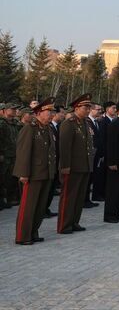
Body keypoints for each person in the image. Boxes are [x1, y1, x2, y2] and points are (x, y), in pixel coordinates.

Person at [13, 98, 56, 245]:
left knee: (40, 206)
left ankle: (33, 231)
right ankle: (22, 236)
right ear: (39, 112)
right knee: (28, 207)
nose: (52, 114)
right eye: (49, 111)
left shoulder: (47, 128)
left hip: (45, 172)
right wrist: (23, 173)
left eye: (52, 111)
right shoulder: (29, 128)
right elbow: (23, 152)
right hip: (32, 174)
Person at [57, 94, 95, 234]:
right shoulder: (69, 123)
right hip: (72, 167)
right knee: (68, 197)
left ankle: (74, 222)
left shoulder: (85, 123)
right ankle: (64, 225)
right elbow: (64, 147)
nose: (88, 110)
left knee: (79, 197)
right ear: (77, 108)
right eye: (86, 107)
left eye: (89, 107)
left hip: (84, 166)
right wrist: (65, 166)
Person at [84, 102, 102, 207]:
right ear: (91, 110)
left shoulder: (96, 122)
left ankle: (87, 199)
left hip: (96, 153)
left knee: (91, 177)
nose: (100, 111)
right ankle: (84, 200)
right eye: (98, 109)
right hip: (90, 154)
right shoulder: (87, 121)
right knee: (87, 178)